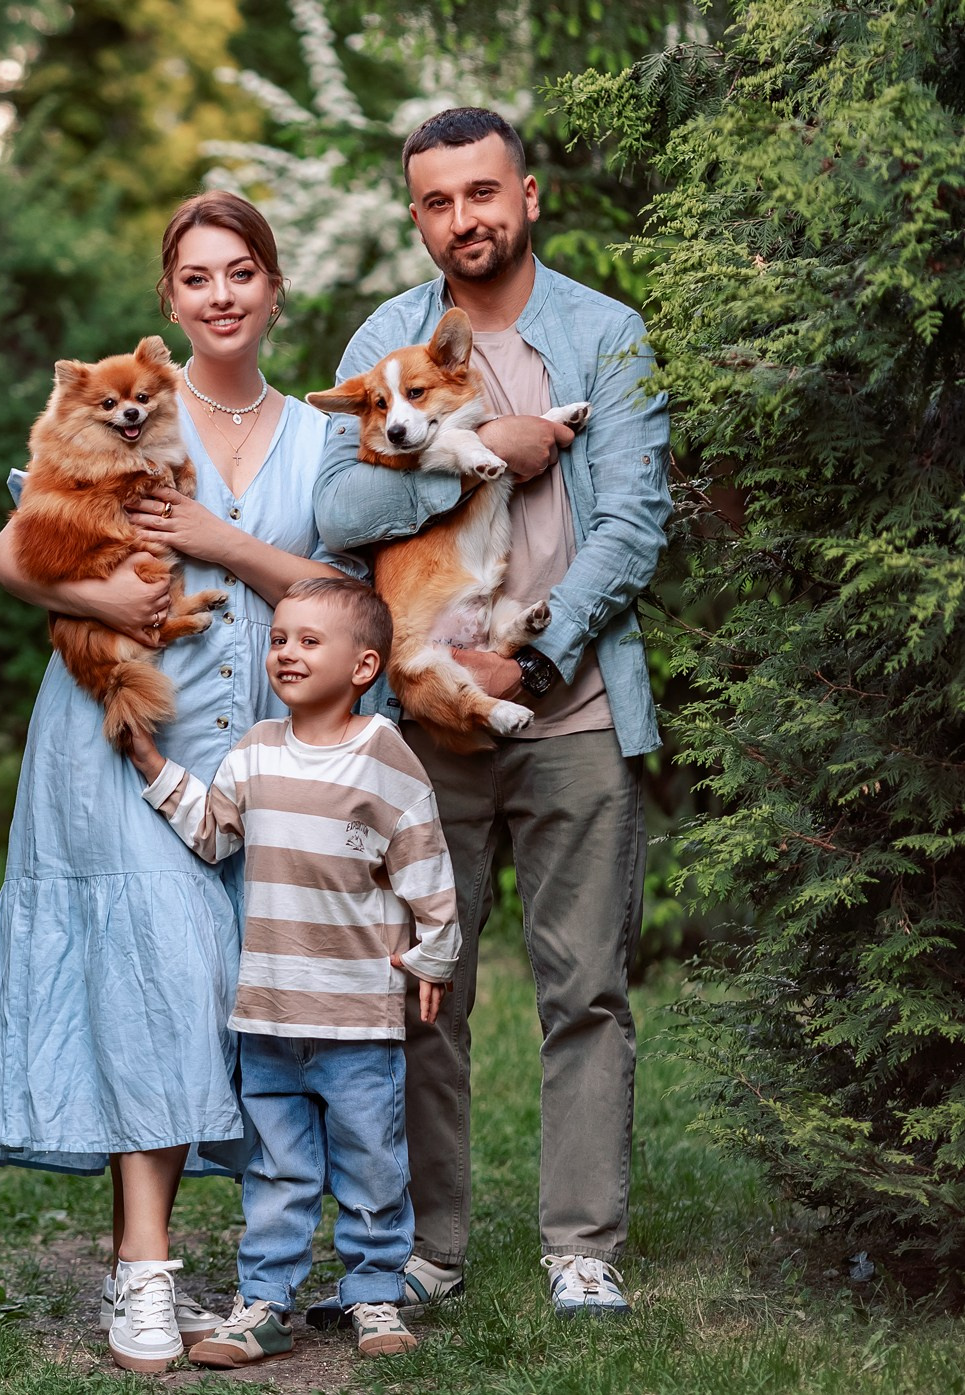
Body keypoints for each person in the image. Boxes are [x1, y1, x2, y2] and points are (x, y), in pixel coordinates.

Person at [0, 190, 353, 1374]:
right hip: (119, 738)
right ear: (169, 299)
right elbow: (10, 551)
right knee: (158, 980)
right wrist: (103, 597)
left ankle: (242, 1262)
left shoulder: (320, 436)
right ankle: (143, 1272)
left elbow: (346, 596)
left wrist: (214, 542)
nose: (220, 295)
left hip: (257, 760)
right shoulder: (123, 402)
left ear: (273, 288)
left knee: (221, 1006)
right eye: (196, 277)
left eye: (240, 272)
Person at [312, 107, 673, 1319]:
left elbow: (632, 522)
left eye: (479, 192)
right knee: (423, 990)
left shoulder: (603, 335)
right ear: (415, 216)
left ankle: (582, 1247)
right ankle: (425, 1250)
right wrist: (473, 451)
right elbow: (334, 514)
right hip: (426, 726)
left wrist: (539, 658)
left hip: (571, 713)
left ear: (525, 195)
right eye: (435, 200)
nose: (460, 218)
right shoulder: (387, 340)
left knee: (586, 991)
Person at [122, 576, 458, 1364]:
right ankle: (263, 1303)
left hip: (356, 1017)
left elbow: (423, 854)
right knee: (275, 1171)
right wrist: (152, 763)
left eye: (309, 640)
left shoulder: (383, 753)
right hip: (268, 1014)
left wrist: (434, 951)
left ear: (363, 666)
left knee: (372, 1164)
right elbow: (214, 833)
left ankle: (373, 1294)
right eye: (278, 639)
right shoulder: (254, 750)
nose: (285, 652)